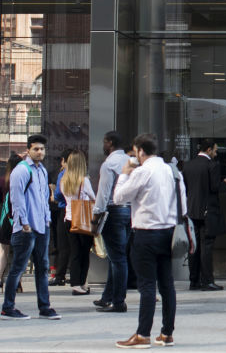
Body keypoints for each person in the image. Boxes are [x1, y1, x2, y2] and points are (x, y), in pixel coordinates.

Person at [112, 133, 185, 348]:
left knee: (147, 286)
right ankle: (167, 333)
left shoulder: (142, 172)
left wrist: (124, 174)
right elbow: (183, 205)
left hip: (146, 233)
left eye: (135, 152)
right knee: (167, 284)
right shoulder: (173, 171)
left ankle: (143, 334)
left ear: (140, 151)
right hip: (169, 233)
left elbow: (119, 198)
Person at [0, 134, 59, 321]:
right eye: (36, 149)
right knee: (18, 268)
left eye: (42, 149)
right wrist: (24, 223)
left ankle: (45, 307)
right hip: (26, 228)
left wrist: (47, 219)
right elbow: (16, 198)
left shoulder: (42, 171)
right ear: (28, 150)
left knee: (42, 267)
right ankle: (8, 308)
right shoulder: (22, 170)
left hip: (42, 226)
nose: (40, 152)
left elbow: (44, 197)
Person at [92, 130, 132, 313]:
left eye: (104, 142)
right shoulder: (130, 161)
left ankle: (118, 301)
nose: (103, 145)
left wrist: (96, 217)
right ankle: (107, 296)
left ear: (109, 143)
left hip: (113, 210)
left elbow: (103, 193)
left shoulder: (109, 164)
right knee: (117, 256)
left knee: (118, 259)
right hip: (129, 211)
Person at [182, 137, 226, 291]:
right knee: (207, 246)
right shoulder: (212, 165)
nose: (216, 153)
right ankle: (207, 280)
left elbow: (185, 188)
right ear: (208, 150)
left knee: (194, 246)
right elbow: (215, 187)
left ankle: (194, 280)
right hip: (208, 210)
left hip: (192, 210)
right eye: (215, 150)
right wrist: (225, 183)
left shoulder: (188, 165)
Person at [60, 150, 96, 296]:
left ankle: (75, 283)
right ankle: (81, 283)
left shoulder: (64, 181)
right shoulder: (84, 181)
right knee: (84, 253)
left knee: (74, 253)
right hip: (83, 220)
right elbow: (93, 198)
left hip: (69, 219)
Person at [0, 153, 22, 294]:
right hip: (19, 219)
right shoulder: (23, 180)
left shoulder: (2, 180)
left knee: (3, 251)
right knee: (19, 253)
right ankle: (17, 282)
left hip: (5, 220)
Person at [50, 150, 72, 286]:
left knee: (62, 245)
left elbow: (58, 195)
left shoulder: (63, 174)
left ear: (64, 160)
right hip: (77, 212)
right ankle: (76, 276)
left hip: (64, 211)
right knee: (75, 246)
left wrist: (52, 192)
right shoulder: (81, 174)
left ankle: (60, 276)